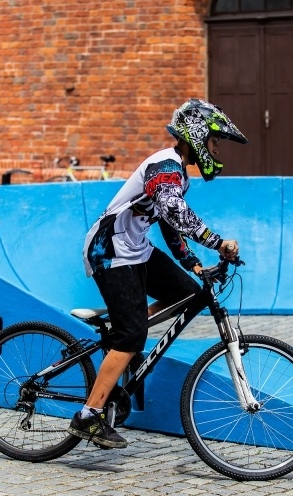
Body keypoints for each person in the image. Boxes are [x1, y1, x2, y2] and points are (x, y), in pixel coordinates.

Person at [67, 98, 248, 449]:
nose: (215, 149)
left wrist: (193, 264)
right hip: (111, 250)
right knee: (132, 335)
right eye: (214, 141)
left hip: (135, 250)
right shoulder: (164, 166)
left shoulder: (178, 172)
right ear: (196, 135)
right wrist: (217, 242)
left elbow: (168, 225)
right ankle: (88, 415)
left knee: (188, 292)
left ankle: (124, 326)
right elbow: (174, 211)